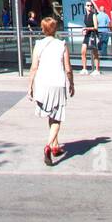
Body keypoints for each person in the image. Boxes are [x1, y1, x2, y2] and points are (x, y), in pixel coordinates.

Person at [28, 15, 75, 165]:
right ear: (55, 29)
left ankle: (55, 146)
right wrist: (72, 83)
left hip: (42, 83)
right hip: (57, 83)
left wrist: (30, 86)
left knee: (50, 115)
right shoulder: (62, 44)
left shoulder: (38, 44)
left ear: (42, 29)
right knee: (57, 117)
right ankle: (48, 145)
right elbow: (68, 68)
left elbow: (34, 67)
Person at [80, 0, 101, 76]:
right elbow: (86, 25)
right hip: (87, 34)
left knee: (95, 53)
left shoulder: (94, 15)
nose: (89, 7)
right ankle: (84, 68)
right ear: (85, 7)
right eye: (88, 5)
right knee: (83, 52)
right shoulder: (85, 16)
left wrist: (87, 29)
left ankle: (97, 69)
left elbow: (96, 27)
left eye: (91, 5)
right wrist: (84, 30)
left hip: (93, 34)